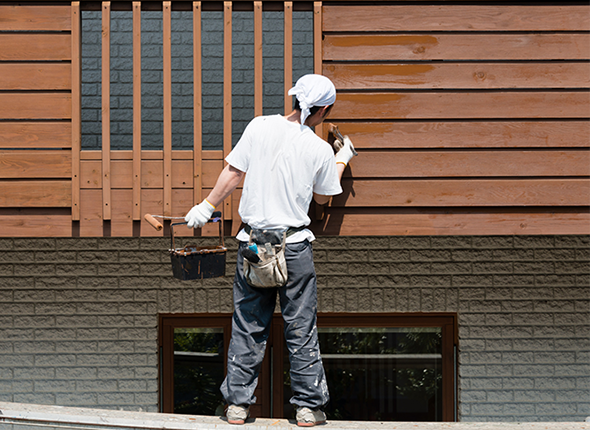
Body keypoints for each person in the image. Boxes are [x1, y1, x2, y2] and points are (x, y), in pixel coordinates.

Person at [184, 74, 356, 426]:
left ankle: (236, 406)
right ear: (324, 109)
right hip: (293, 248)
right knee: (300, 327)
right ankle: (307, 409)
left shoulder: (259, 127)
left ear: (294, 98)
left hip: (253, 246)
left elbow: (233, 173)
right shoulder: (320, 149)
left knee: (248, 326)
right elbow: (328, 190)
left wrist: (205, 206)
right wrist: (343, 156)